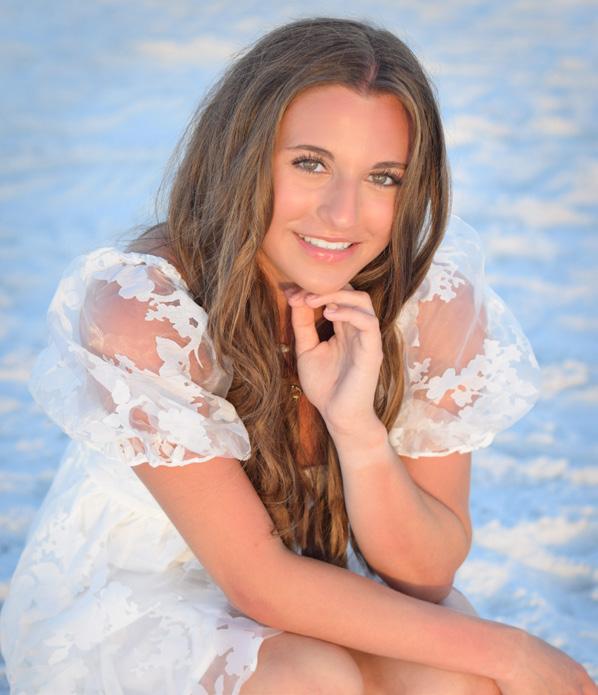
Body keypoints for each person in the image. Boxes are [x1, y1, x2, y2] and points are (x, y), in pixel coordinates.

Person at [1, 15, 595, 695]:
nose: (343, 215)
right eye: (311, 164)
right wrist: (511, 651)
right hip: (142, 591)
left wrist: (357, 429)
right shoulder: (147, 308)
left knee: (450, 680)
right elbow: (258, 580)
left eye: (383, 177)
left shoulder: (429, 300)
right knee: (313, 680)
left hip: (320, 580)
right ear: (243, 157)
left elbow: (426, 575)